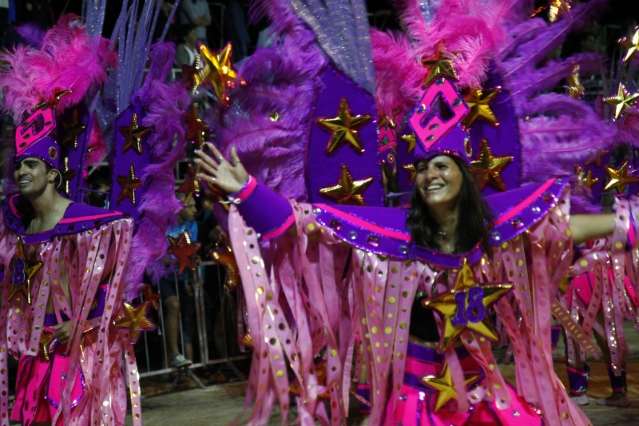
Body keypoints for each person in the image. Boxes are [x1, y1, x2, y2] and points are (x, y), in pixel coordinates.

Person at [0, 17, 145, 426]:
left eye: (31, 164)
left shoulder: (91, 226)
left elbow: (115, 283)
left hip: (78, 359)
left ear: (52, 173)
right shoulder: (16, 228)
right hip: (35, 358)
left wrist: (86, 323)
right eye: (19, 166)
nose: (22, 173)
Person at [160, 191, 199, 368]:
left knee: (186, 317)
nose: (195, 209)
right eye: (190, 206)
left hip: (182, 277)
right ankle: (173, 354)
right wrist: (163, 257)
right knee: (173, 305)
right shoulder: (164, 225)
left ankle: (188, 367)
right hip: (162, 275)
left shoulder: (192, 225)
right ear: (179, 207)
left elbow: (191, 251)